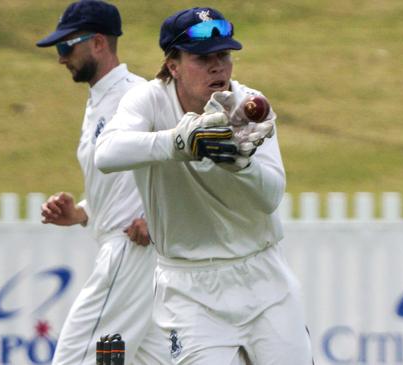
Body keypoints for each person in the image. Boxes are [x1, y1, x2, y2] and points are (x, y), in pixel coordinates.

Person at [95, 7, 314, 365]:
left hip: (264, 278)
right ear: (173, 65)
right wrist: (180, 142)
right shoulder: (148, 100)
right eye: (202, 58)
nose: (218, 67)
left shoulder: (248, 105)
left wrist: (239, 164)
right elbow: (106, 154)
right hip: (190, 287)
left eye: (224, 55)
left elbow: (271, 195)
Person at [35, 1, 168, 364]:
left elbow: (180, 160)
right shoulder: (99, 99)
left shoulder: (137, 95)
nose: (61, 58)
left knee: (74, 358)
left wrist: (156, 220)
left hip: (131, 247)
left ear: (97, 43)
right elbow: (124, 181)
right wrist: (81, 212)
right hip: (126, 247)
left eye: (66, 47)